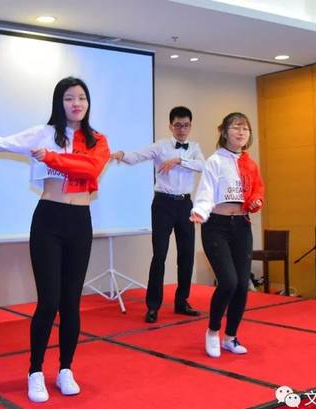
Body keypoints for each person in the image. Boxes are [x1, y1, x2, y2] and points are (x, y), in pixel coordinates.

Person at [0, 76, 110, 403]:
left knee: (71, 303)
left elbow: (90, 169)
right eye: (69, 98)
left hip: (79, 222)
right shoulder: (43, 134)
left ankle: (66, 369)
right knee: (49, 301)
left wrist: (51, 158)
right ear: (59, 102)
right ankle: (35, 371)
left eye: (82, 98)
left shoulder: (98, 140)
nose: (76, 104)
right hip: (49, 219)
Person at [111, 106, 205, 323]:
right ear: (170, 126)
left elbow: (203, 165)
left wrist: (179, 160)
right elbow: (137, 156)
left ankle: (182, 302)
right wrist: (122, 155)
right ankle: (153, 306)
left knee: (186, 255)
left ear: (190, 126)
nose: (182, 129)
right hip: (163, 204)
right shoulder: (161, 146)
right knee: (159, 255)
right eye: (178, 125)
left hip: (185, 205)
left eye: (186, 125)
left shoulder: (195, 148)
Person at [189, 112, 264, 358]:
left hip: (241, 225)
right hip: (216, 226)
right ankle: (213, 331)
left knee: (242, 285)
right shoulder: (215, 161)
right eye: (235, 127)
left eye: (245, 128)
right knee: (228, 282)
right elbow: (205, 192)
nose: (241, 132)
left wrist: (255, 201)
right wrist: (200, 211)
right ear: (223, 132)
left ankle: (230, 337)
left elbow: (257, 189)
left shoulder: (250, 164)